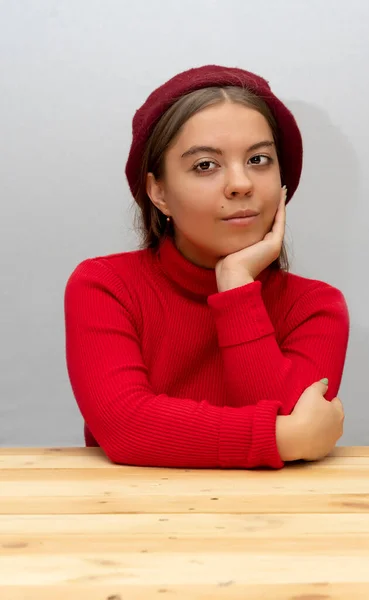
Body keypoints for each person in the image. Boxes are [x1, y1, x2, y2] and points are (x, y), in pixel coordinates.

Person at [64, 65, 349, 469]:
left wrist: (235, 288)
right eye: (205, 165)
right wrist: (281, 438)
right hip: (133, 519)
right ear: (158, 192)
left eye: (259, 159)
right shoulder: (105, 286)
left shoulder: (316, 307)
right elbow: (126, 429)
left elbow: (292, 425)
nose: (241, 184)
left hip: (279, 522)